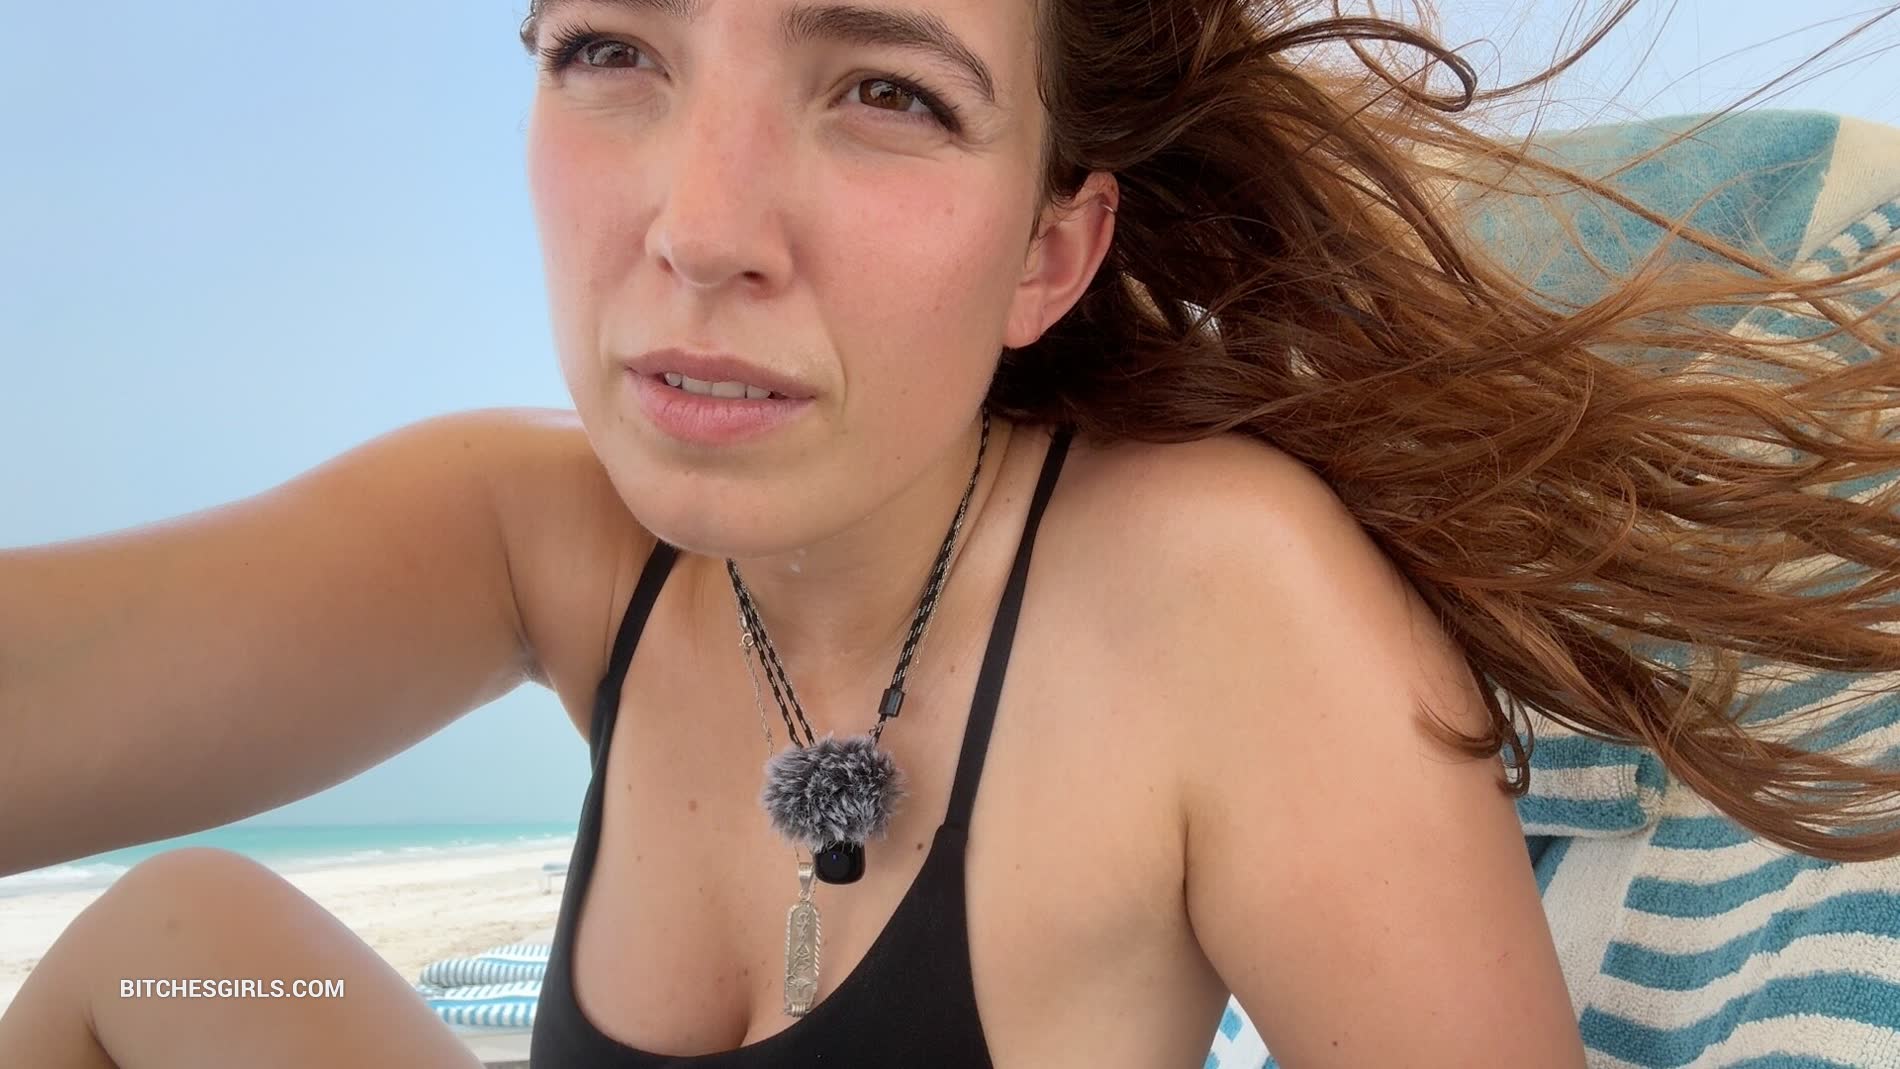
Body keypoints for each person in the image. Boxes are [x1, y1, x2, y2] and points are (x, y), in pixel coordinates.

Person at [2, 0, 1897, 1066]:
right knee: (175, 942)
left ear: (1050, 250)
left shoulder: (1220, 601)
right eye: (612, 49)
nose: (701, 228)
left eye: (888, 92)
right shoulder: (539, 530)